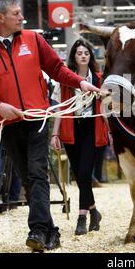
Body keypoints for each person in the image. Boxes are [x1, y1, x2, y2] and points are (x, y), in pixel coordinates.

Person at [0, 0, 99, 251]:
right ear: (0, 18)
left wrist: (80, 82)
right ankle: (51, 231)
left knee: (37, 173)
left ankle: (37, 230)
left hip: (37, 118)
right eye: (16, 13)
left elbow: (57, 69)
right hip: (6, 123)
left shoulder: (33, 39)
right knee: (27, 178)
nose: (21, 17)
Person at [50, 39, 108, 235]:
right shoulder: (64, 82)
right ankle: (94, 212)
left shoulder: (99, 79)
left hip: (92, 128)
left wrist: (111, 130)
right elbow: (60, 108)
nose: (83, 56)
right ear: (74, 57)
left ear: (90, 57)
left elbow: (108, 109)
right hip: (71, 129)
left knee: (84, 173)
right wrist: (55, 133)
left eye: (86, 53)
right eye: (79, 53)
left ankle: (81, 217)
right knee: (80, 177)